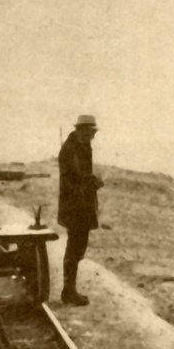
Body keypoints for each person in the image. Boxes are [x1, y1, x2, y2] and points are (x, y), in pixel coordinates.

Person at [57, 114, 104, 306]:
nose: (93, 135)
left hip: (81, 206)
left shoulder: (80, 146)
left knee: (77, 249)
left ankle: (70, 290)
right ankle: (68, 292)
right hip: (75, 207)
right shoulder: (72, 148)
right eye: (91, 132)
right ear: (82, 130)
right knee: (74, 249)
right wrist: (94, 182)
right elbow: (76, 177)